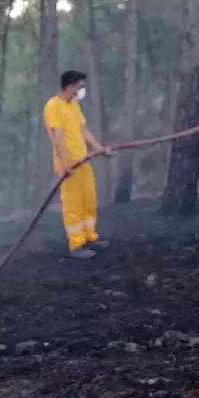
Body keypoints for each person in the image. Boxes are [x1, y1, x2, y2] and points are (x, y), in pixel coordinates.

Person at [43, 70, 113, 259]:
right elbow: (57, 136)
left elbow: (84, 130)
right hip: (68, 165)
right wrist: (65, 163)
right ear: (71, 85)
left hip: (83, 161)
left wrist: (100, 149)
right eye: (80, 86)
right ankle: (76, 244)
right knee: (72, 205)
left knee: (88, 201)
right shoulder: (53, 106)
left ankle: (90, 237)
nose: (82, 90)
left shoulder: (73, 104)